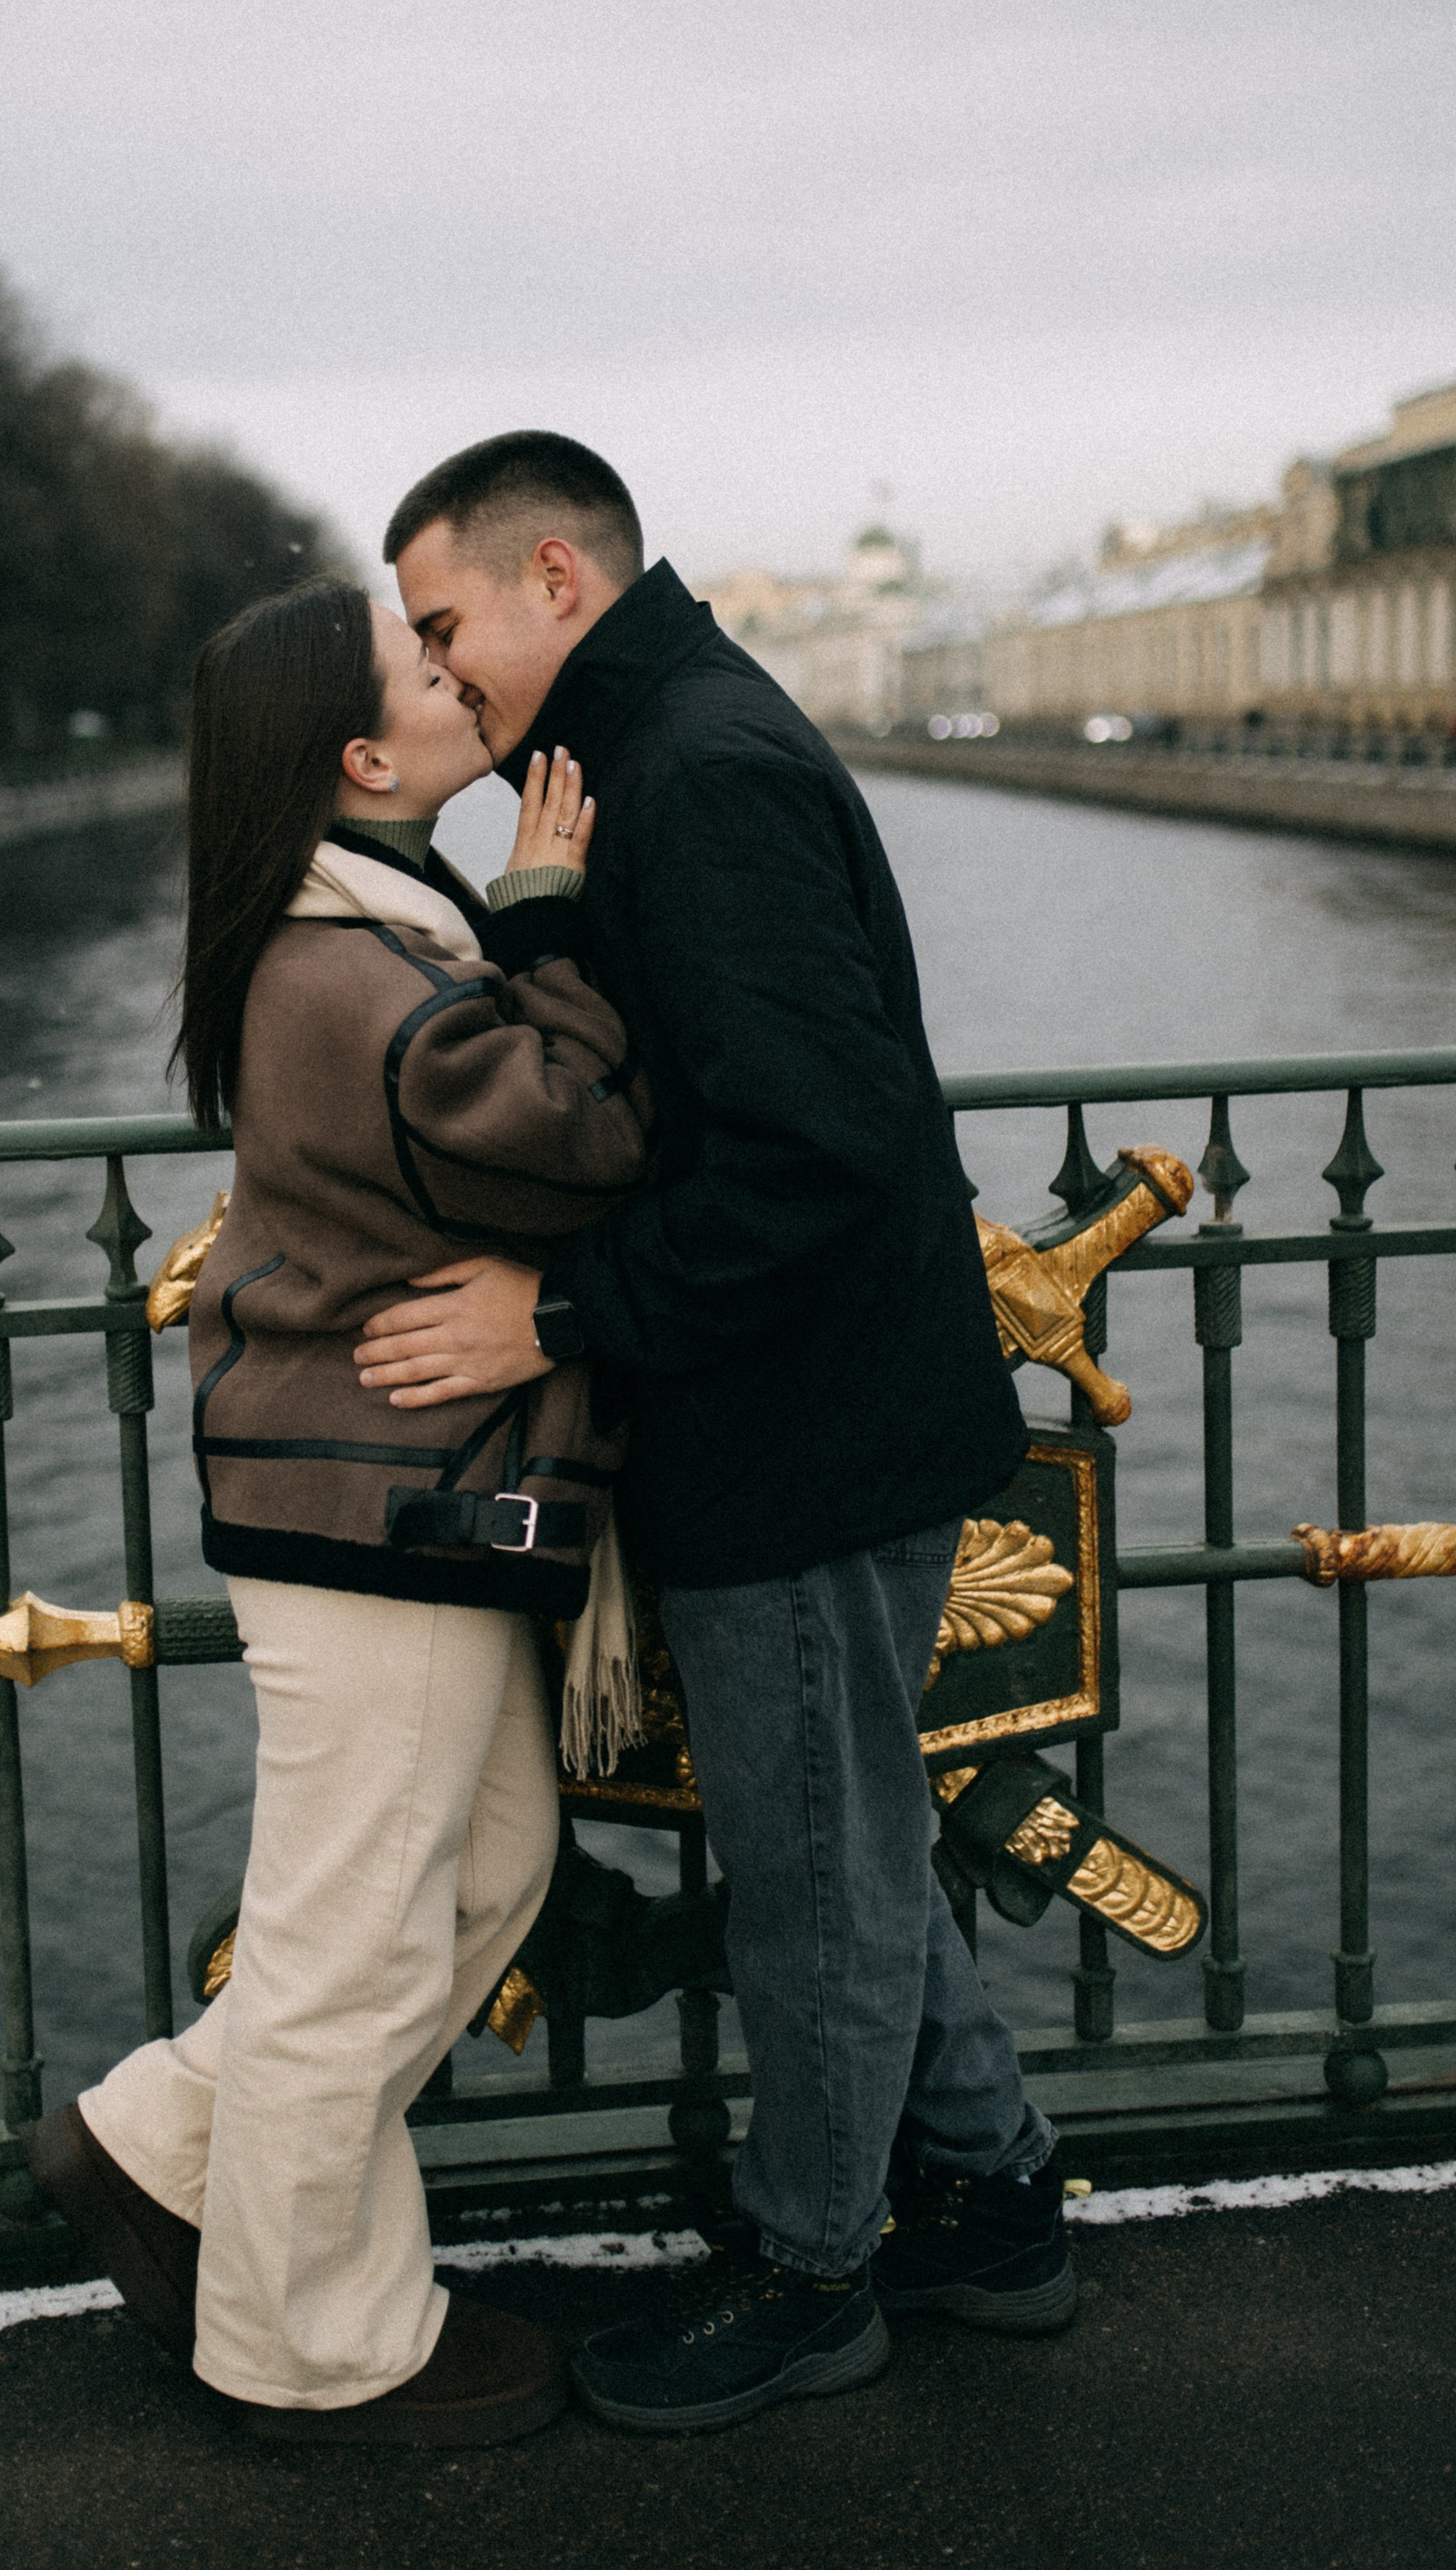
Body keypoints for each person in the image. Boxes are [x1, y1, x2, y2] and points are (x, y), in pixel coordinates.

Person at [362, 431, 1065, 2439]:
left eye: (444, 626)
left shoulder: (699, 772)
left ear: (554, 575)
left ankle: (808, 2270)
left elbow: (816, 1155)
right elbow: (703, 1091)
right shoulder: (652, 754)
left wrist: (563, 1308)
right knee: (849, 1836)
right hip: (818, 1407)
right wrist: (551, 918)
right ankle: (997, 2201)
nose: (438, 674)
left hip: (799, 1426)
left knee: (813, 1867)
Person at [21, 574, 652, 2447]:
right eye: (423, 665)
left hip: (394, 1499)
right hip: (371, 1508)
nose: (461, 673)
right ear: (365, 756)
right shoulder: (347, 963)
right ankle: (310, 2344)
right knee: (354, 1933)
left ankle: (162, 2146)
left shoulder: (366, 922)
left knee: (474, 1873)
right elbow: (579, 1139)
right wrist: (556, 913)